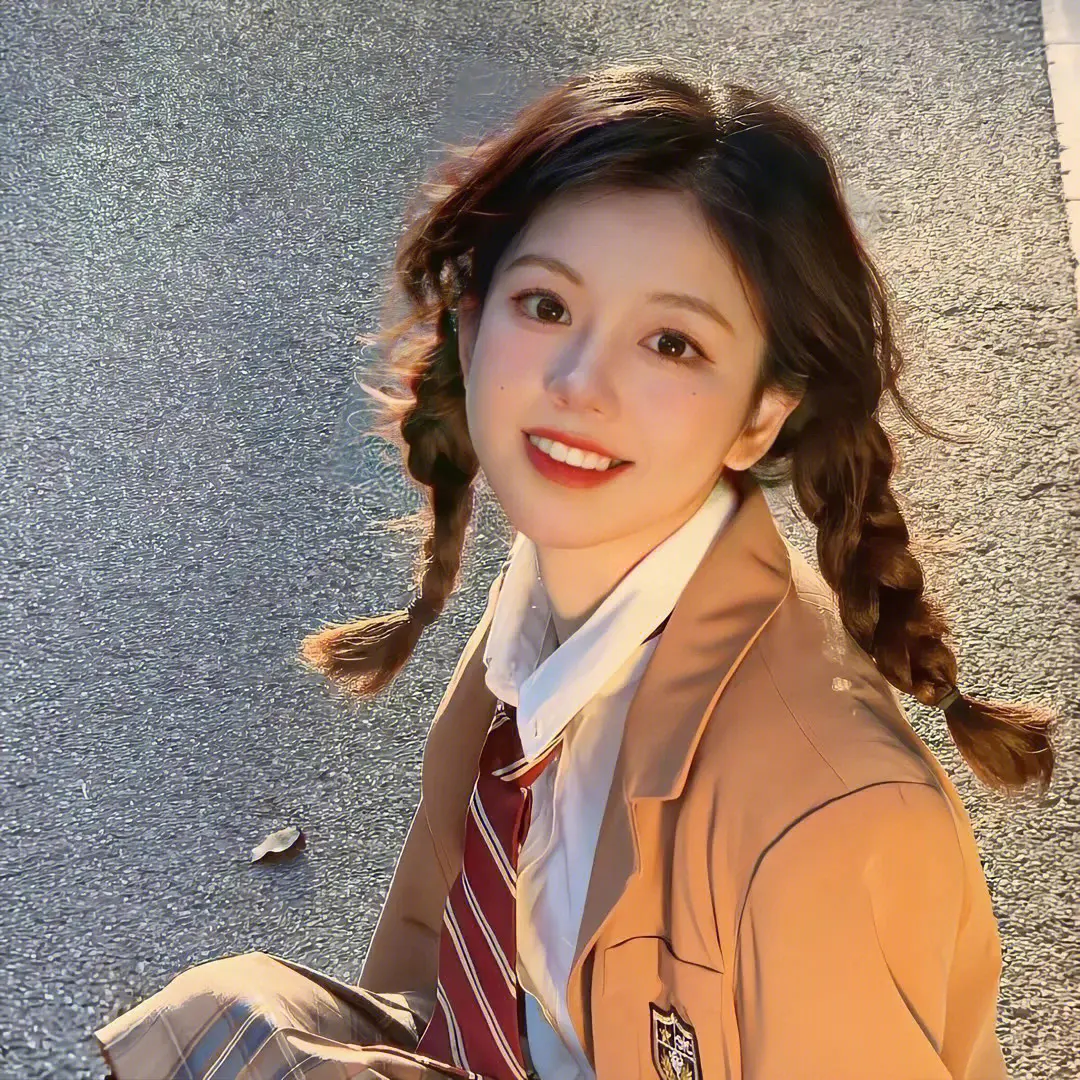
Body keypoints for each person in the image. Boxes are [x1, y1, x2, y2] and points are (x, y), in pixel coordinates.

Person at [92, 61, 1058, 1080]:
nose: (579, 384)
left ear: (761, 415)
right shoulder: (551, 602)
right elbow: (426, 952)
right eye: (547, 305)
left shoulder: (825, 822)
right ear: (474, 322)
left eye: (672, 343)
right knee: (219, 1020)